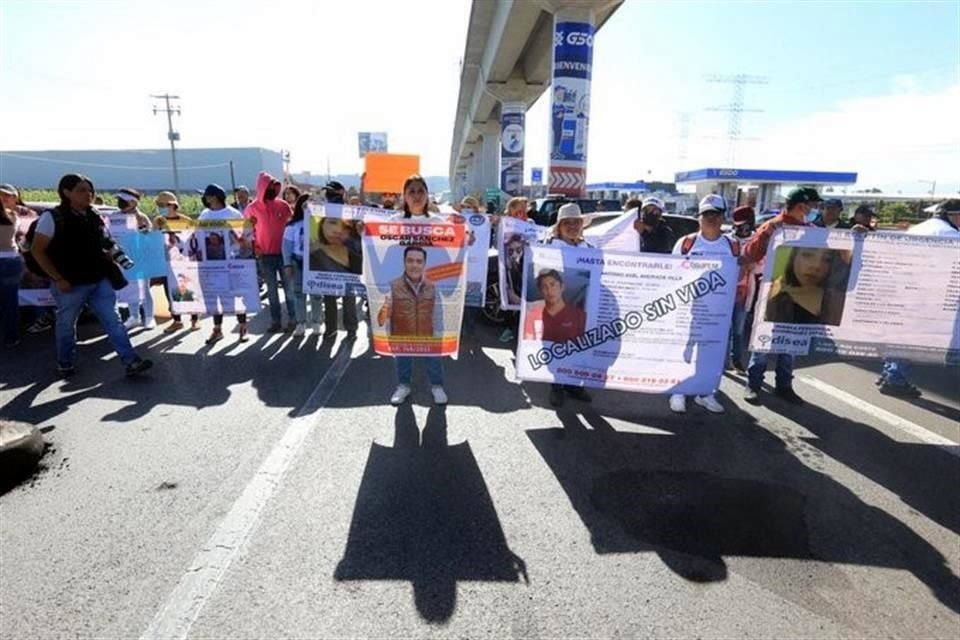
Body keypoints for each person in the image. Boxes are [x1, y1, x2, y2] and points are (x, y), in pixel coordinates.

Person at [28, 173, 152, 376]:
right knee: (67, 324)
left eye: (90, 190)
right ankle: (65, 362)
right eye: (82, 190)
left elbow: (106, 240)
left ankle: (131, 361)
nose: (88, 195)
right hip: (69, 283)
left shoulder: (94, 215)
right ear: (66, 192)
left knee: (113, 321)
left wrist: (114, 253)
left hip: (99, 279)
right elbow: (37, 250)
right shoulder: (52, 217)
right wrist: (58, 279)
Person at [740, 186, 821, 404]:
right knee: (764, 341)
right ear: (802, 205)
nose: (816, 210)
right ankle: (753, 384)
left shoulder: (813, 229)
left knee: (792, 342)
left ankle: (784, 385)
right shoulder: (772, 227)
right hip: (773, 292)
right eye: (814, 205)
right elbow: (750, 255)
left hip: (802, 293)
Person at [877, 199, 960, 396]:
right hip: (931, 294)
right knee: (913, 338)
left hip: (907, 288)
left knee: (902, 334)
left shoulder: (917, 228)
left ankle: (888, 372)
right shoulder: (952, 235)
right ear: (954, 215)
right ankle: (895, 379)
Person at [668, 194, 740, 414]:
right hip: (689, 310)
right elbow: (672, 272)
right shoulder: (687, 242)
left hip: (718, 312)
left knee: (712, 353)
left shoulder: (732, 244)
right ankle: (678, 391)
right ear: (699, 217)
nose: (711, 218)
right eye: (706, 214)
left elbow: (740, 272)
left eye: (716, 214)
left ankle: (705, 393)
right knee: (684, 352)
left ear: (722, 217)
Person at [384, 175, 447, 406]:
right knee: (402, 339)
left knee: (432, 340)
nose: (417, 195)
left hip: (432, 288)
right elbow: (381, 249)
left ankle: (437, 385)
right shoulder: (394, 220)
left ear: (427, 195)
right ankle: (403, 385)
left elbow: (451, 253)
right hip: (401, 288)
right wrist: (365, 232)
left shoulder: (439, 222)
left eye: (421, 190)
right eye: (412, 191)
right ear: (404, 196)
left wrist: (465, 241)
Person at [539, 202, 592, 407]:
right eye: (567, 223)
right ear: (559, 226)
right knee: (556, 345)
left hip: (579, 306)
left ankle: (573, 384)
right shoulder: (547, 246)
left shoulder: (588, 248)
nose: (572, 226)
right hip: (554, 306)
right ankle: (557, 385)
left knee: (578, 345)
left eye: (576, 222)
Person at [199, 184, 249, 344]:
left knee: (235, 295)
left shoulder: (233, 214)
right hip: (210, 263)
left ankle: (242, 327)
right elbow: (196, 235)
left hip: (230, 261)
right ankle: (217, 329)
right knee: (215, 295)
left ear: (214, 197)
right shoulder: (204, 215)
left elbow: (244, 237)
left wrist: (233, 235)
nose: (205, 199)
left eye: (207, 195)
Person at [245, 171, 295, 332]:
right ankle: (276, 322)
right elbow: (247, 231)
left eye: (275, 187)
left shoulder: (283, 205)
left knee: (289, 290)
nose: (273, 189)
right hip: (265, 256)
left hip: (284, 256)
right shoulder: (252, 209)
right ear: (262, 187)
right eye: (270, 187)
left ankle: (294, 320)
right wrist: (255, 247)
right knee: (272, 292)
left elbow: (292, 226)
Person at [315, 181, 360, 339]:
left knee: (348, 296)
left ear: (342, 192)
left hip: (349, 260)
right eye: (328, 193)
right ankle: (333, 327)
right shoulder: (320, 211)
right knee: (330, 297)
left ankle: (350, 328)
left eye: (332, 193)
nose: (330, 196)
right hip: (329, 260)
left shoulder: (352, 212)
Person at [764, 247, 848, 326]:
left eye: (827, 259)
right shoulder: (776, 302)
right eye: (808, 254)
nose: (816, 265)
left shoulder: (841, 298)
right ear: (794, 256)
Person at [153, 191, 199, 333]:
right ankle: (177, 320)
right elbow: (153, 238)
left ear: (172, 205)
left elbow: (195, 239)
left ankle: (194, 319)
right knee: (170, 291)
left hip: (185, 261)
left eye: (163, 205)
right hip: (167, 262)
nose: (160, 207)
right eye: (159, 205)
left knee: (188, 290)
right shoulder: (159, 221)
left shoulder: (185, 220)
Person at [282, 193, 324, 336]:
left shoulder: (320, 223)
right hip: (297, 262)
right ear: (301, 206)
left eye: (312, 203)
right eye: (306, 203)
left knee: (316, 294)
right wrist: (287, 264)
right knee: (299, 293)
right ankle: (300, 323)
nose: (309, 206)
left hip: (315, 263)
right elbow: (286, 246)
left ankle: (316, 322)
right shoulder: (292, 226)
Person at [115, 188, 156, 329]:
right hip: (122, 258)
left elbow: (148, 237)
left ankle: (149, 317)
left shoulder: (142, 217)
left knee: (144, 288)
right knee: (130, 287)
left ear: (133, 202)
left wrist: (141, 226)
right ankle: (134, 317)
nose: (120, 203)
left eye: (123, 201)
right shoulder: (115, 216)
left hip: (140, 258)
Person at [728, 205, 757, 371]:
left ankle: (736, 359)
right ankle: (720, 360)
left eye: (746, 225)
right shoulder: (726, 240)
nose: (743, 228)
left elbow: (763, 265)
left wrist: (752, 265)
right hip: (725, 292)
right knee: (723, 329)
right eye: (739, 225)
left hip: (745, 293)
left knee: (738, 330)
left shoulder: (757, 241)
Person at [0, 184, 24, 347]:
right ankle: (11, 337)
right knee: (10, 300)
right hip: (12, 259)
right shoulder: (14, 216)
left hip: (7, 260)